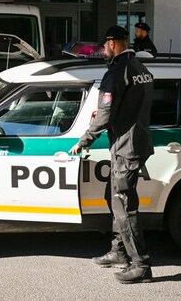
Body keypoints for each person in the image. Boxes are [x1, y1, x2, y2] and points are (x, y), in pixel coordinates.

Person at [69, 25, 155, 284]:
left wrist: (84, 140)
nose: (103, 51)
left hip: (125, 148)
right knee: (114, 197)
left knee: (124, 206)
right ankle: (119, 252)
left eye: (105, 46)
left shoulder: (117, 73)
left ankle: (141, 265)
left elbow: (105, 115)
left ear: (113, 44)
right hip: (136, 142)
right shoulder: (141, 69)